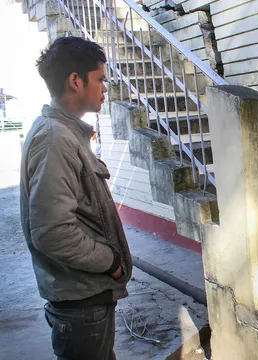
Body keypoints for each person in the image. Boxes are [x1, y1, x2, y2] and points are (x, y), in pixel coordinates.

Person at [20, 36, 132, 360]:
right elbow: (52, 232)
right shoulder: (55, 141)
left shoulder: (64, 134)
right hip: (81, 309)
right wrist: (110, 262)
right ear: (75, 81)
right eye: (100, 79)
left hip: (87, 304)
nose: (105, 87)